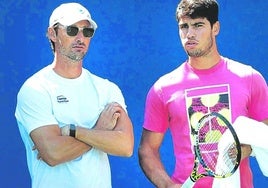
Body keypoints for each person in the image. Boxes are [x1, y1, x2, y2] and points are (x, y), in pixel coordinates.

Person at [138, 0, 268, 187]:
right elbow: (147, 150)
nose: (189, 34)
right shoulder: (163, 89)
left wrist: (245, 150)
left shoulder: (250, 78)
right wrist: (167, 185)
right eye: (184, 26)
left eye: (198, 25)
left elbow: (265, 136)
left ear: (215, 28)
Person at [15, 2, 134, 188]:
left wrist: (72, 131)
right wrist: (100, 129)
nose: (80, 38)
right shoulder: (35, 89)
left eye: (87, 32)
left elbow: (125, 146)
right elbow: (53, 154)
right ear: (52, 34)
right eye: (72, 30)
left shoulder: (107, 88)